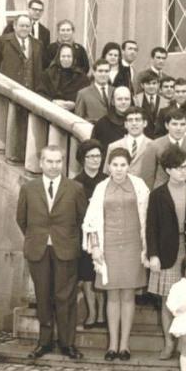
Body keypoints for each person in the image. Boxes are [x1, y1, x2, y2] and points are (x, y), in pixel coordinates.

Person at [16, 145, 88, 359]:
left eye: (58, 161)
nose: (54, 166)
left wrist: (69, 240)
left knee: (65, 296)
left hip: (66, 249)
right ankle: (44, 342)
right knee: (43, 296)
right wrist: (36, 237)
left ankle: (67, 343)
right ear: (41, 163)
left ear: (63, 163)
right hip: (38, 249)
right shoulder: (29, 188)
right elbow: (21, 219)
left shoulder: (75, 188)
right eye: (49, 161)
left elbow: (82, 219)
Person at [82, 147, 150, 361]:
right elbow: (91, 220)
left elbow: (148, 217)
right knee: (112, 295)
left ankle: (124, 345)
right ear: (108, 166)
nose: (119, 169)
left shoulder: (139, 186)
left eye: (123, 165)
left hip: (133, 245)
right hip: (108, 244)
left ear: (128, 166)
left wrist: (147, 248)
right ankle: (112, 345)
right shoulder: (101, 188)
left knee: (128, 295)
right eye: (115, 165)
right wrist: (95, 247)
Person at [146, 147, 186, 360]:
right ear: (168, 170)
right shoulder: (157, 195)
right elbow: (151, 227)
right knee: (169, 300)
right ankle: (168, 343)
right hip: (167, 252)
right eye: (178, 168)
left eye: (185, 167)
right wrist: (153, 255)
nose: (183, 171)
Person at [73, 140, 107, 330]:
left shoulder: (107, 180)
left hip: (104, 233)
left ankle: (102, 313)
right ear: (82, 159)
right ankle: (92, 313)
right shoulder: (76, 182)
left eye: (98, 156)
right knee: (86, 274)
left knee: (101, 273)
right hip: (84, 234)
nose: (95, 160)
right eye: (91, 156)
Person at [144, 107, 186, 189]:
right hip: (160, 191)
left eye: (182, 124)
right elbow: (147, 176)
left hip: (185, 190)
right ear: (167, 125)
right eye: (174, 124)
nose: (178, 128)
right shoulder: (154, 146)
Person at [0, 14, 44, 90]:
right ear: (14, 26)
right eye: (21, 26)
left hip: (30, 92)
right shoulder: (2, 42)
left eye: (27, 26)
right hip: (7, 90)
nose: (24, 28)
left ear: (31, 27)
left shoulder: (37, 44)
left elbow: (39, 71)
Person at [104, 107, 154, 187]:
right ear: (125, 124)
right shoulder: (113, 146)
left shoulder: (153, 146)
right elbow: (108, 173)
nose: (134, 123)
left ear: (145, 123)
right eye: (130, 120)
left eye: (137, 120)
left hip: (145, 191)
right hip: (119, 192)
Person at [36, 42, 90, 111]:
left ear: (73, 58)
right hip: (51, 113)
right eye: (63, 56)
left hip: (74, 115)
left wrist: (75, 104)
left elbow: (87, 98)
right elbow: (40, 94)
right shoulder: (48, 74)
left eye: (69, 56)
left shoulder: (81, 77)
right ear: (58, 57)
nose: (66, 59)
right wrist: (53, 102)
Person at [91, 86, 131, 154]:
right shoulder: (102, 124)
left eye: (127, 99)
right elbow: (94, 149)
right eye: (119, 99)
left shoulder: (138, 122)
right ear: (113, 101)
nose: (123, 102)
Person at [134, 70, 167, 138]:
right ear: (142, 85)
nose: (151, 86)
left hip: (160, 138)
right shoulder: (136, 100)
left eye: (154, 83)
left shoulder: (166, 101)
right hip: (142, 137)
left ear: (158, 85)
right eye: (148, 84)